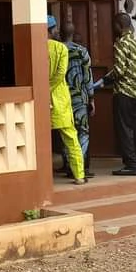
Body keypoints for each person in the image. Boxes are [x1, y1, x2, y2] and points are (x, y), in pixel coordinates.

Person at [105, 12, 136, 176]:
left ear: (118, 25)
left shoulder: (121, 43)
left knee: (125, 130)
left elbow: (120, 70)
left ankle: (131, 165)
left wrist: (106, 79)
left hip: (124, 93)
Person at [47, 16, 86, 185]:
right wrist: (49, 89)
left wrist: (42, 91)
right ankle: (79, 175)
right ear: (51, 29)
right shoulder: (60, 48)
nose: (57, 31)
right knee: (71, 138)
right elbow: (60, 73)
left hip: (39, 100)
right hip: (60, 99)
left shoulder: (32, 47)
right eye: (55, 29)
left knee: (38, 141)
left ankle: (42, 178)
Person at [61, 23, 95, 178]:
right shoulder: (82, 52)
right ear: (73, 34)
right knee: (83, 132)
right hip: (80, 99)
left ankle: (69, 166)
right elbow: (88, 77)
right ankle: (79, 167)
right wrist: (92, 98)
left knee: (66, 132)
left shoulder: (57, 50)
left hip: (62, 98)